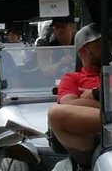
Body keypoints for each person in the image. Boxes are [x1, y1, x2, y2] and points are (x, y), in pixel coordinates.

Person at [45, 24, 108, 154]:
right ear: (83, 50)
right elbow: (69, 106)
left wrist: (97, 94)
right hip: (90, 141)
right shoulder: (72, 78)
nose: (106, 46)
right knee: (55, 112)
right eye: (99, 43)